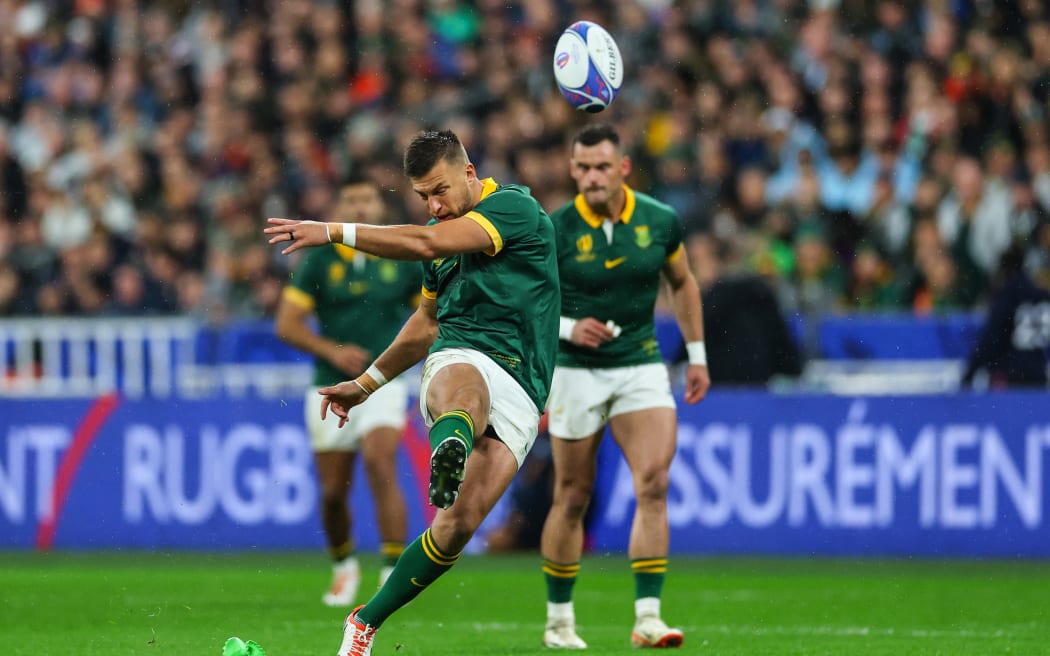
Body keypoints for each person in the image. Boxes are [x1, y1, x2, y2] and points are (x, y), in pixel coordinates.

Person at [265, 129, 560, 656]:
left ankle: (364, 620)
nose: (434, 205)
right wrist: (365, 383)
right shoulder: (438, 239)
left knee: (458, 525)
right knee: (467, 389)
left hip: (524, 384)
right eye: (423, 196)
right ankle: (452, 445)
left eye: (440, 190)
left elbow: (426, 242)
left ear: (469, 173)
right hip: (461, 356)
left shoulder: (513, 207)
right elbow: (426, 324)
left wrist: (332, 229)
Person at [540, 123, 710, 650]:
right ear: (572, 170)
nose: (592, 176)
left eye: (602, 167)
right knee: (572, 495)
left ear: (624, 168)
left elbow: (682, 282)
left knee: (654, 483)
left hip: (639, 362)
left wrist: (697, 354)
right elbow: (529, 302)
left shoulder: (659, 221)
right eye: (583, 168)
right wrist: (569, 328)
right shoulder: (556, 229)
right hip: (574, 369)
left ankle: (648, 617)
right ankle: (559, 620)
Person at [274, 176, 420, 607]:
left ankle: (393, 572)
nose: (360, 207)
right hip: (327, 384)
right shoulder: (319, 262)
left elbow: (430, 314)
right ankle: (344, 568)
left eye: (367, 200)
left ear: (380, 209)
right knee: (333, 492)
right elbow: (287, 324)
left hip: (382, 383)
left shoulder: (401, 256)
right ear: (340, 207)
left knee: (380, 461)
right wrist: (331, 350)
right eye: (351, 199)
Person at [960, 245, 1050, 388]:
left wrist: (969, 374)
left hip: (1010, 377)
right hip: (1038, 377)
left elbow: (993, 338)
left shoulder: (1009, 294)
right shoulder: (1042, 296)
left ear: (1003, 269)